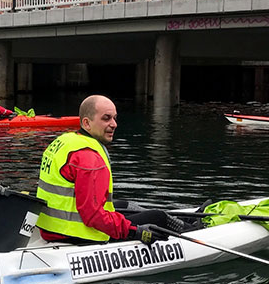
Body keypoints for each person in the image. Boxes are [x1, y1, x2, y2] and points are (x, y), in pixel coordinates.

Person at [35, 95, 189, 246]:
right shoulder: (90, 159)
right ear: (87, 123)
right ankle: (197, 230)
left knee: (126, 205)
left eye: (114, 118)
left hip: (51, 230)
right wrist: (135, 231)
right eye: (106, 118)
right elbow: (93, 216)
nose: (114, 124)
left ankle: (189, 220)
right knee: (158, 217)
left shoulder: (64, 142)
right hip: (77, 235)